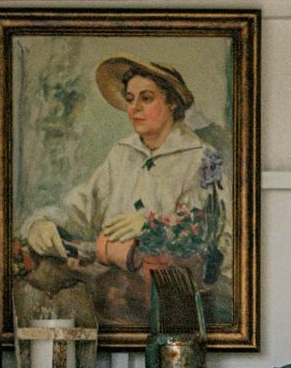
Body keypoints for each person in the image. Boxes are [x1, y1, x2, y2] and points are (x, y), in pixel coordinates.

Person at [22, 56, 227, 276]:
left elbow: (217, 239)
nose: (135, 108)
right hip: (110, 287)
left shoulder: (203, 158)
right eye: (130, 99)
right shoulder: (122, 154)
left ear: (172, 102)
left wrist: (151, 228)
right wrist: (42, 223)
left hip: (171, 293)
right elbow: (83, 207)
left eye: (146, 98)